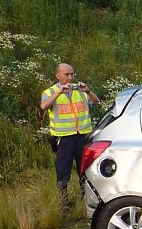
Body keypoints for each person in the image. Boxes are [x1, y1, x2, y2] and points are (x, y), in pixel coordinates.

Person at [40, 62, 100, 210]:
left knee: (84, 169)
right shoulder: (50, 92)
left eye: (72, 74)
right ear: (58, 76)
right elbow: (44, 106)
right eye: (66, 74)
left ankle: (87, 199)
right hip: (63, 137)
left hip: (82, 136)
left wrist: (88, 91)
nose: (70, 77)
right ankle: (63, 203)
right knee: (63, 170)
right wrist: (59, 92)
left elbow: (96, 102)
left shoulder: (80, 91)